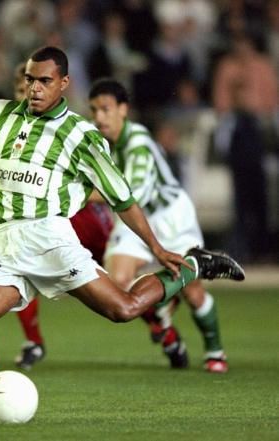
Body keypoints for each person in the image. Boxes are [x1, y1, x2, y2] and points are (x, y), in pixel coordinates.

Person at [0, 46, 244, 421]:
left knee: (123, 309)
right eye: (29, 79)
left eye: (44, 80)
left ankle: (195, 264)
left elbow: (122, 198)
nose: (34, 88)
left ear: (63, 84)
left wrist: (157, 248)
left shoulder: (81, 136)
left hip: (50, 238)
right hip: (6, 239)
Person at [0, 62, 113, 370]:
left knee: (120, 294)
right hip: (28, 224)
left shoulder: (70, 130)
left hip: (80, 218)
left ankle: (162, 323)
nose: (28, 94)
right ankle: (33, 341)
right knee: (18, 271)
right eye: (23, 87)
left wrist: (57, 194)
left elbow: (106, 186)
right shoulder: (8, 122)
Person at [88, 78, 230, 373]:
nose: (99, 117)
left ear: (123, 110)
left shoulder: (138, 144)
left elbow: (129, 196)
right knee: (118, 285)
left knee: (193, 293)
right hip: (135, 217)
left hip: (169, 216)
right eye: (94, 110)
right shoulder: (99, 143)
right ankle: (165, 326)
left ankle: (215, 350)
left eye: (105, 109)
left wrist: (76, 196)